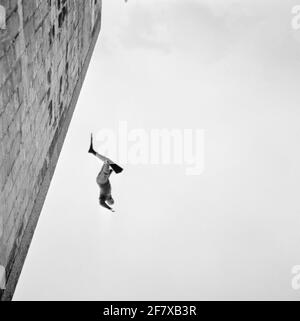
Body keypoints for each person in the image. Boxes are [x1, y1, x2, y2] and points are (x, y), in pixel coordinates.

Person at [88, 134, 123, 212]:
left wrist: (109, 208)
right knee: (107, 161)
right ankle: (92, 151)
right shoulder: (109, 193)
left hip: (101, 181)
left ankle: (93, 152)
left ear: (108, 201)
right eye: (112, 200)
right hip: (104, 179)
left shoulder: (103, 197)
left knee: (107, 162)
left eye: (110, 201)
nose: (111, 200)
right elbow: (108, 181)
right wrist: (111, 171)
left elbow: (101, 203)